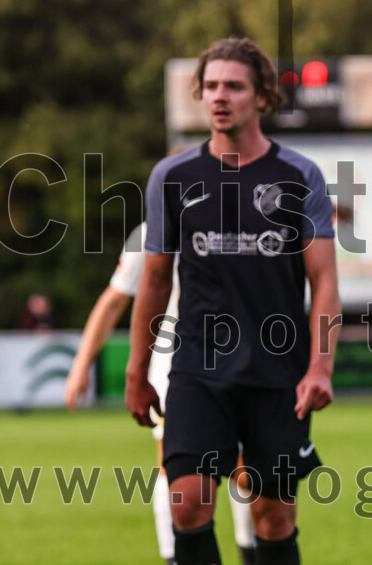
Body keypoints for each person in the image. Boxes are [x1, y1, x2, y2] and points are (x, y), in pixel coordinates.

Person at [125, 37, 341, 565]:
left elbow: (325, 282)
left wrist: (320, 366)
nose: (221, 96)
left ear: (262, 95)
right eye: (212, 86)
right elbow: (153, 281)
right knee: (188, 502)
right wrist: (137, 369)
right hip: (199, 368)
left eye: (235, 86)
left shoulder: (299, 176)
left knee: (272, 517)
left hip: (278, 374)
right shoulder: (171, 177)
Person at [66, 221, 258, 565]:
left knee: (246, 467)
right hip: (177, 364)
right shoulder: (153, 230)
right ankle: (173, 558)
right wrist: (82, 364)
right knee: (174, 467)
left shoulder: (245, 219)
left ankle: (250, 552)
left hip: (243, 363)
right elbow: (115, 298)